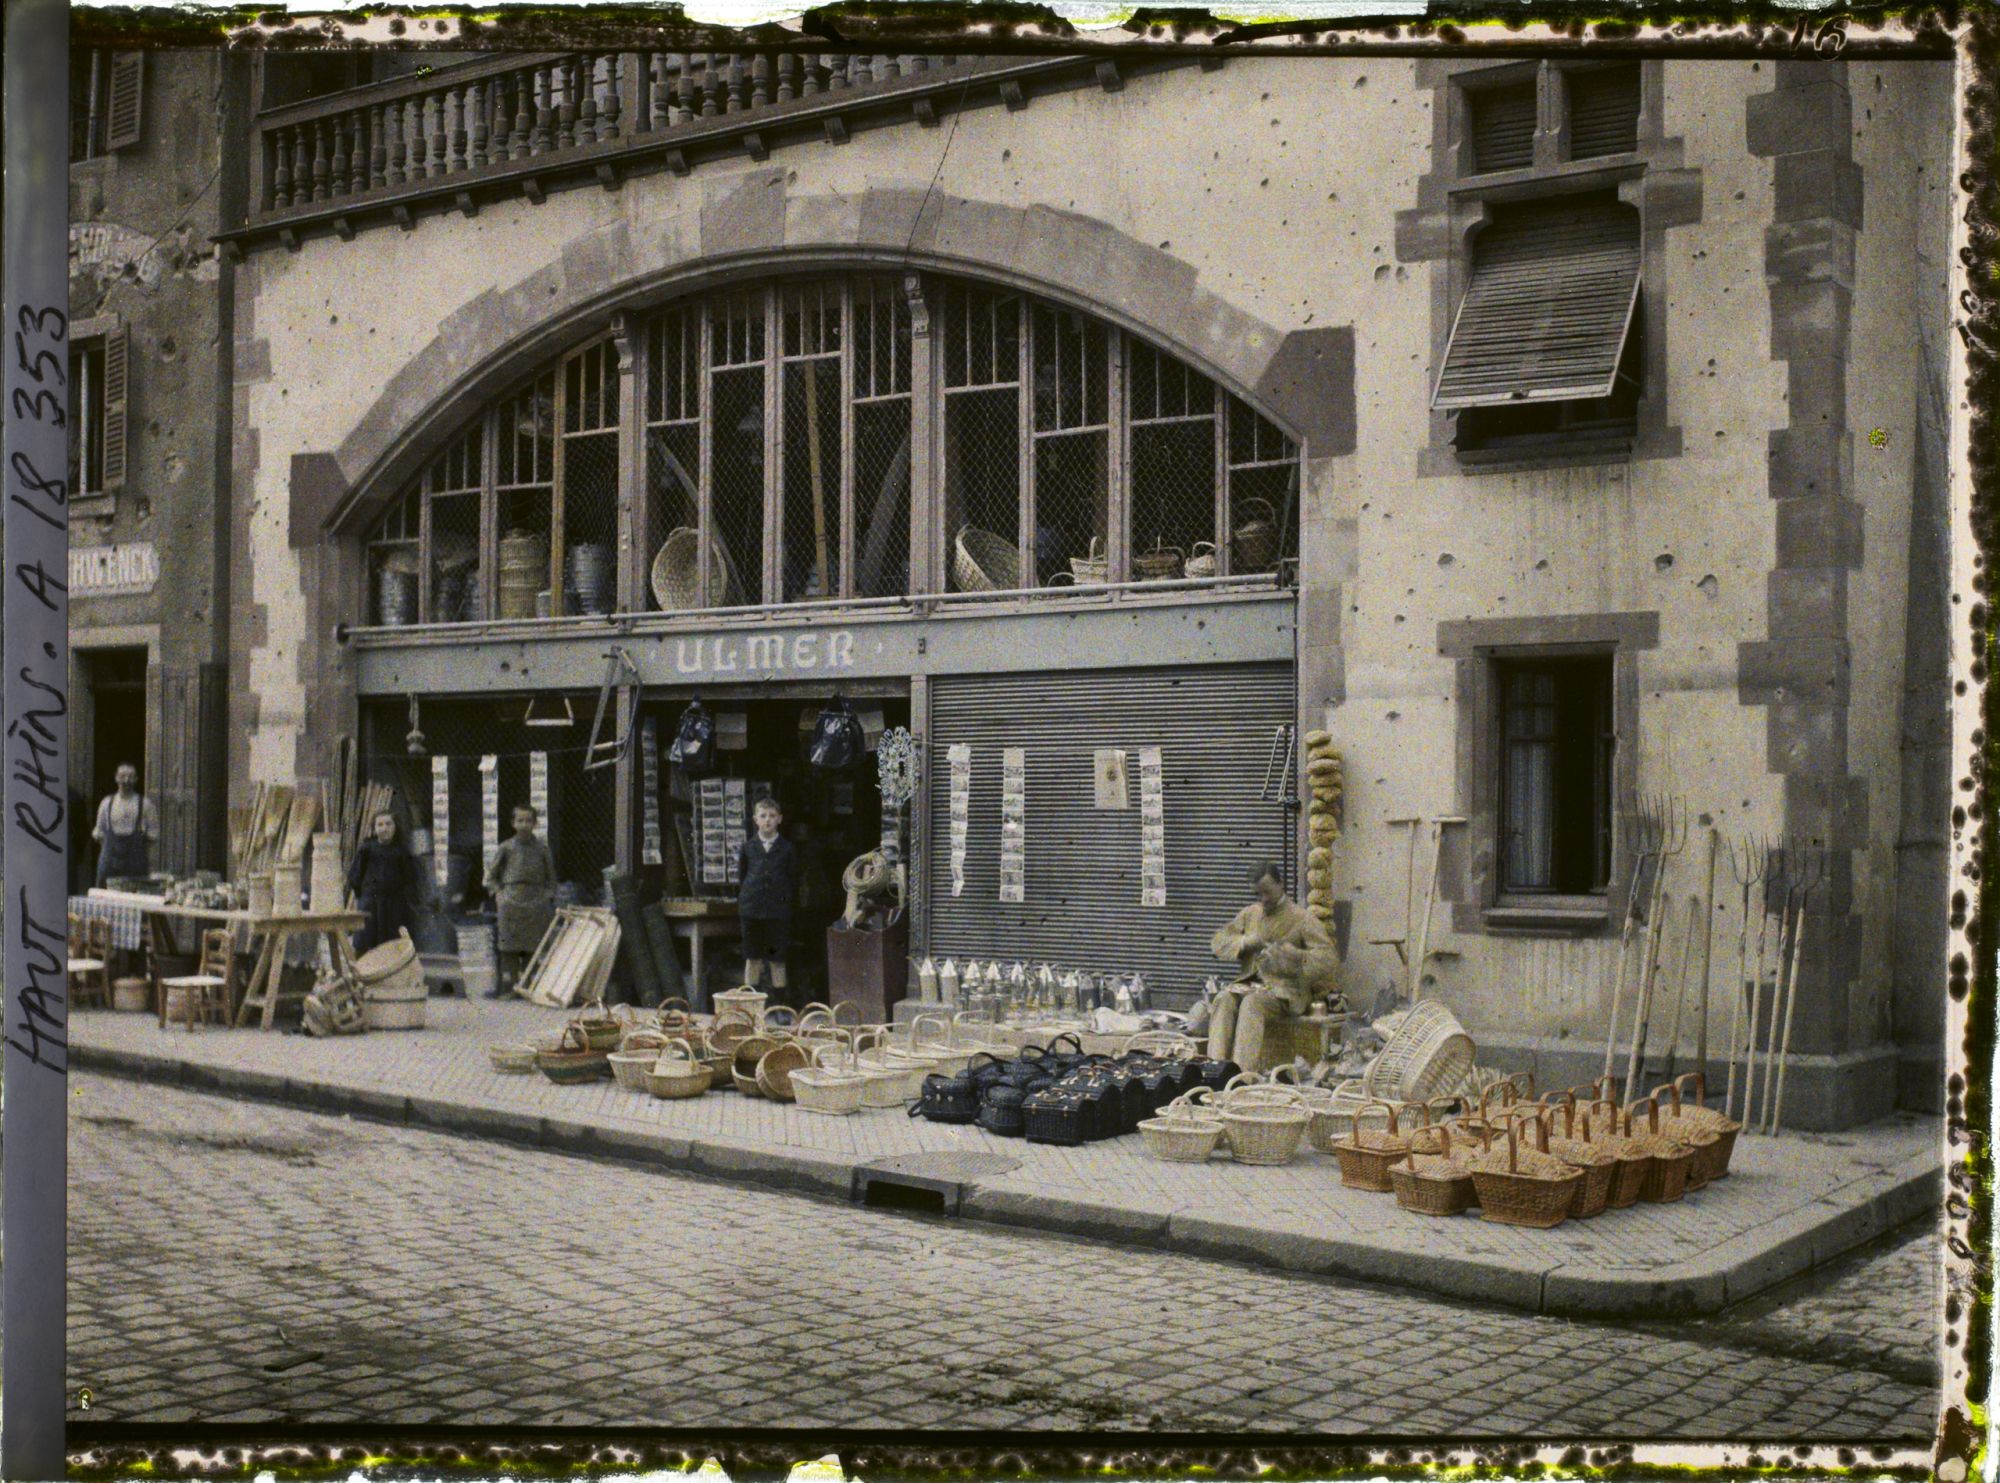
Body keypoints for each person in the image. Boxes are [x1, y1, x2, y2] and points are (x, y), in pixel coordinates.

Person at [1206, 862, 1338, 1073]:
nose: (1263, 899)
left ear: (1280, 883)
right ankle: (1214, 1072)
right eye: (1257, 894)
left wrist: (1297, 956)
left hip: (1287, 992)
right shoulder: (1250, 914)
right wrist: (1246, 941)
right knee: (1223, 999)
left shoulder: (1302, 918)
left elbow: (1329, 959)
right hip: (1249, 986)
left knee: (1252, 1003)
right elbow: (1217, 943)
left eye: (1267, 892)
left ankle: (1241, 1077)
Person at [484, 804, 557, 998]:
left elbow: (551, 879)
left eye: (528, 821)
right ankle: (509, 987)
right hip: (510, 901)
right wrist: (499, 895)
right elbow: (491, 877)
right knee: (508, 946)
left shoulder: (542, 849)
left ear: (535, 823)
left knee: (534, 946)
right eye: (520, 821)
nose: (524, 825)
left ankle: (529, 987)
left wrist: (546, 896)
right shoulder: (505, 847)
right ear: (513, 823)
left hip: (535, 902)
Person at [736, 795, 799, 1008]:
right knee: (752, 957)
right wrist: (748, 900)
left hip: (777, 912)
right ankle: (749, 1006)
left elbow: (793, 879)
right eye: (763, 816)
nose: (768, 820)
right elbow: (742, 876)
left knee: (777, 959)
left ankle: (779, 1006)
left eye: (772, 816)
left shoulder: (787, 848)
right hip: (751, 910)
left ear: (779, 819)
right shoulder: (748, 847)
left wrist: (784, 904)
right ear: (755, 819)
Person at [344, 810, 422, 957]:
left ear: (395, 826)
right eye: (379, 825)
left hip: (394, 905)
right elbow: (355, 877)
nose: (384, 828)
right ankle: (361, 970)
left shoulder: (401, 851)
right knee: (364, 944)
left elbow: (410, 878)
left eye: (388, 824)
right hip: (369, 904)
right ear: (374, 829)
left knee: (392, 946)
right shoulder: (366, 849)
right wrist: (364, 897)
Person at [93, 762, 159, 887]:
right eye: (122, 776)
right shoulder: (106, 803)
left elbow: (153, 836)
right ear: (116, 778)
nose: (126, 780)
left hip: (135, 866)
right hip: (109, 865)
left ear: (136, 779)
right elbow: (98, 833)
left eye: (131, 776)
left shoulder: (145, 805)